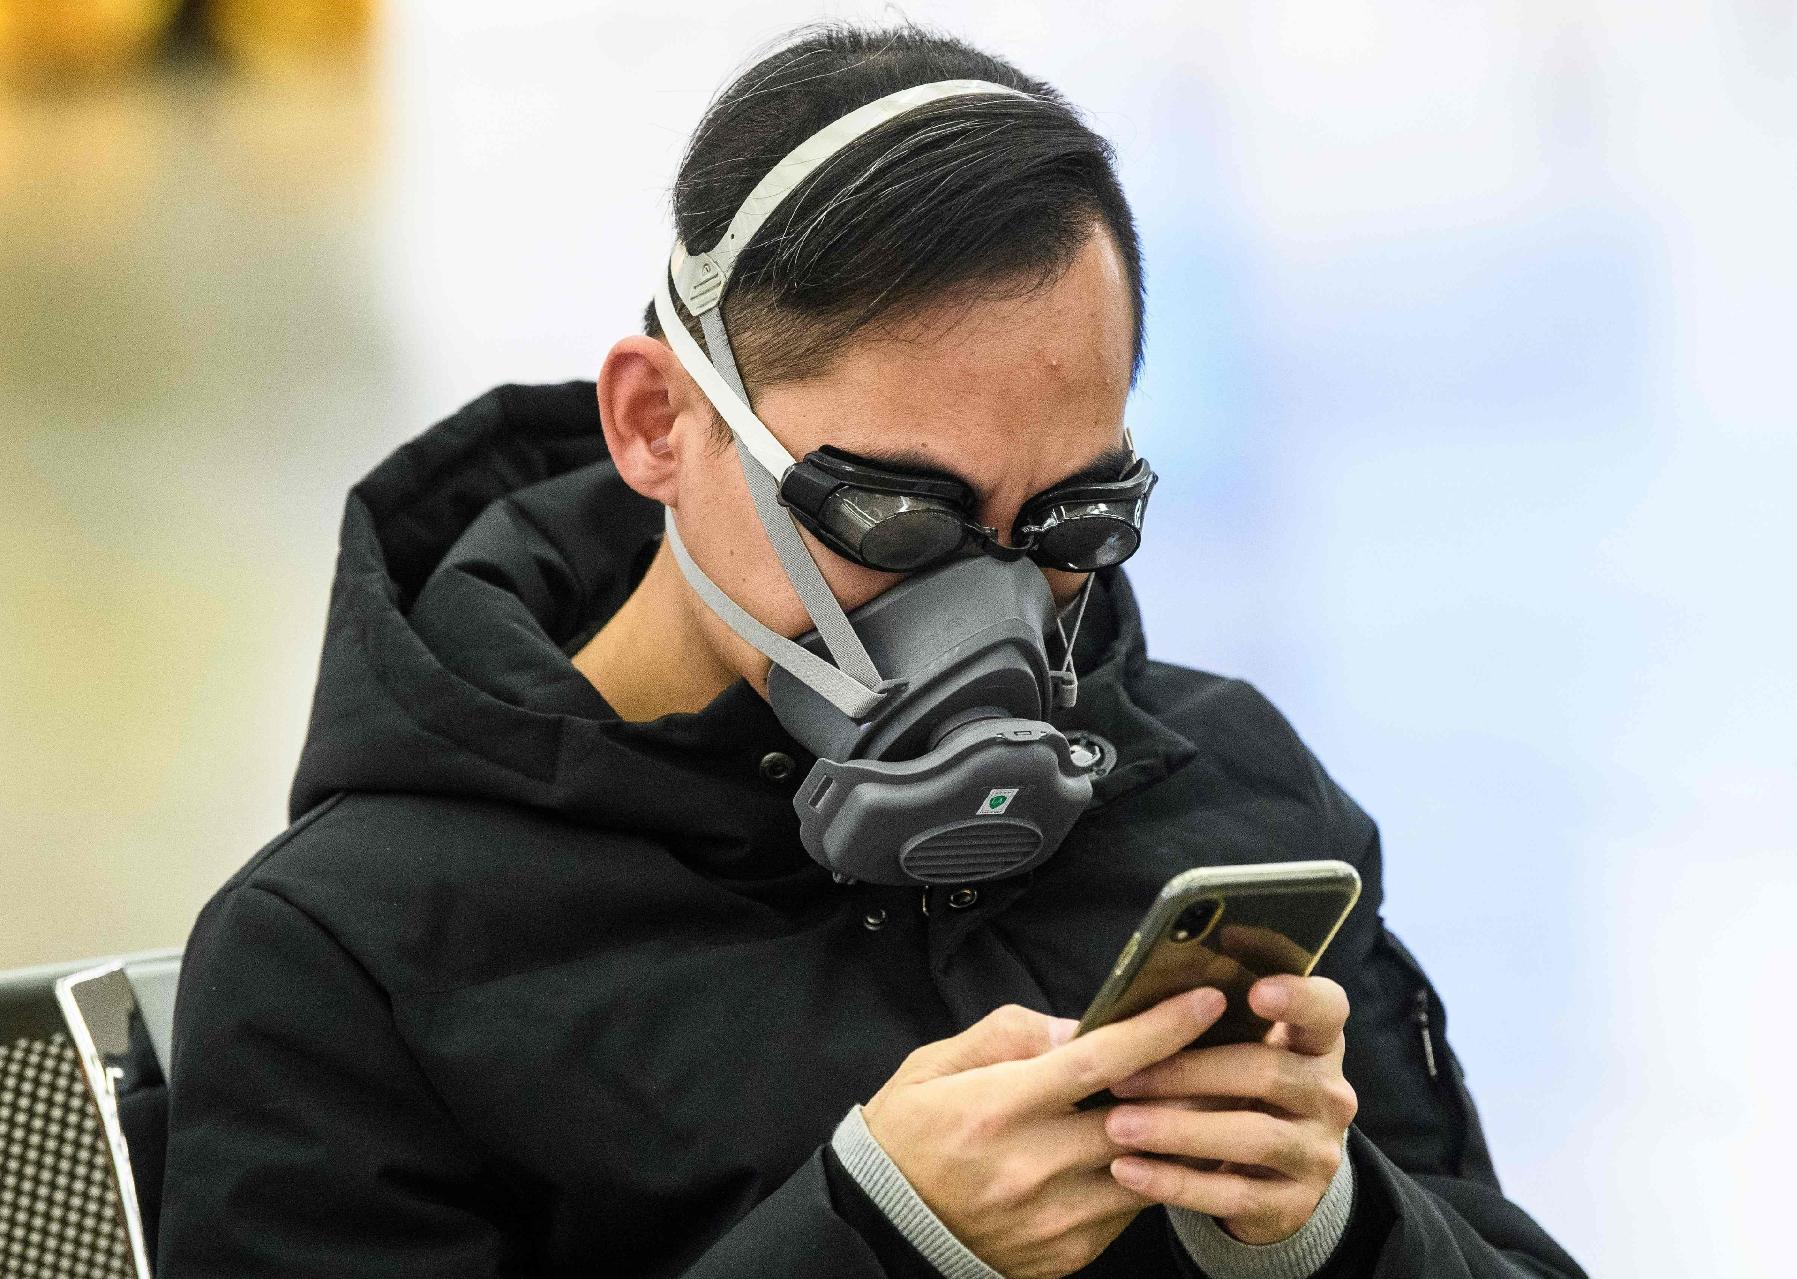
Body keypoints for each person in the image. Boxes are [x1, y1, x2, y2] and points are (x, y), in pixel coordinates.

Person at [155, 23, 1585, 1279]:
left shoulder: (1234, 803)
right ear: (661, 424)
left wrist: (1338, 1233)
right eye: (899, 512)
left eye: (1075, 515)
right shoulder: (354, 956)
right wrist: (870, 1239)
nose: (997, 606)